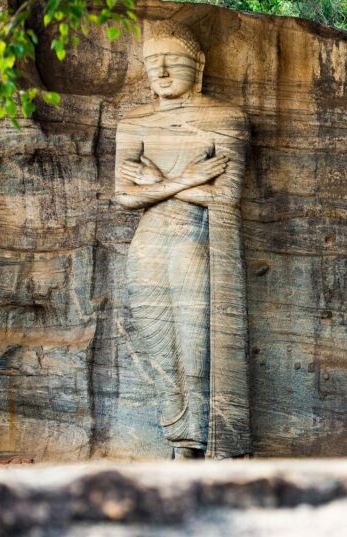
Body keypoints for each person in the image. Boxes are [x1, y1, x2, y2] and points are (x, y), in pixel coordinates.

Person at [114, 21, 250, 459]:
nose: (162, 71)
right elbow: (124, 197)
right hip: (147, 246)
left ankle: (204, 442)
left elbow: (225, 197)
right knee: (159, 348)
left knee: (196, 346)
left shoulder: (224, 119)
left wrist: (156, 182)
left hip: (195, 241)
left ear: (199, 64)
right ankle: (179, 442)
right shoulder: (134, 122)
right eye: (152, 63)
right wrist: (188, 178)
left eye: (172, 60)